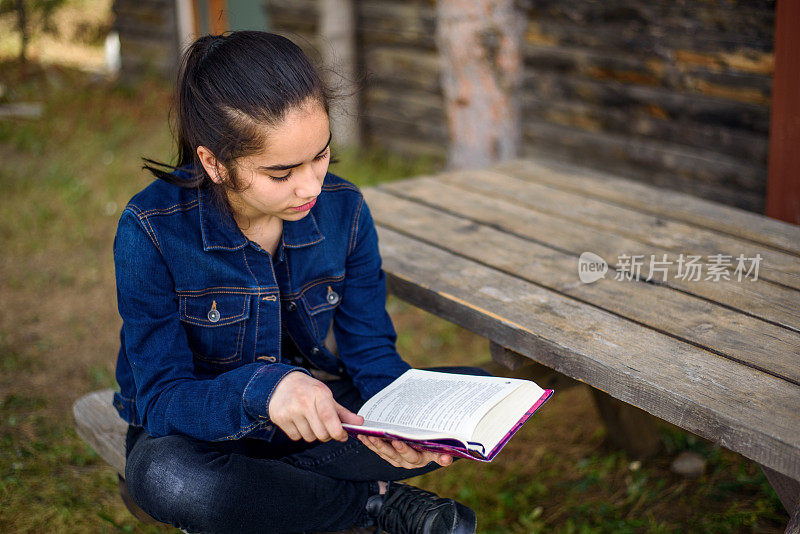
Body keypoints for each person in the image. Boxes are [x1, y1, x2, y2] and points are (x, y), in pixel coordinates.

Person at [112, 31, 489, 534]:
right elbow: (162, 399)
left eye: (321, 155)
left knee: (471, 400)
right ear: (214, 163)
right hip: (201, 430)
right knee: (170, 479)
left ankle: (275, 498)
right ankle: (372, 507)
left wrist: (399, 424)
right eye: (281, 172)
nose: (311, 186)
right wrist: (265, 392)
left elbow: (372, 352)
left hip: (315, 419)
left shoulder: (345, 209)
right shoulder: (151, 230)